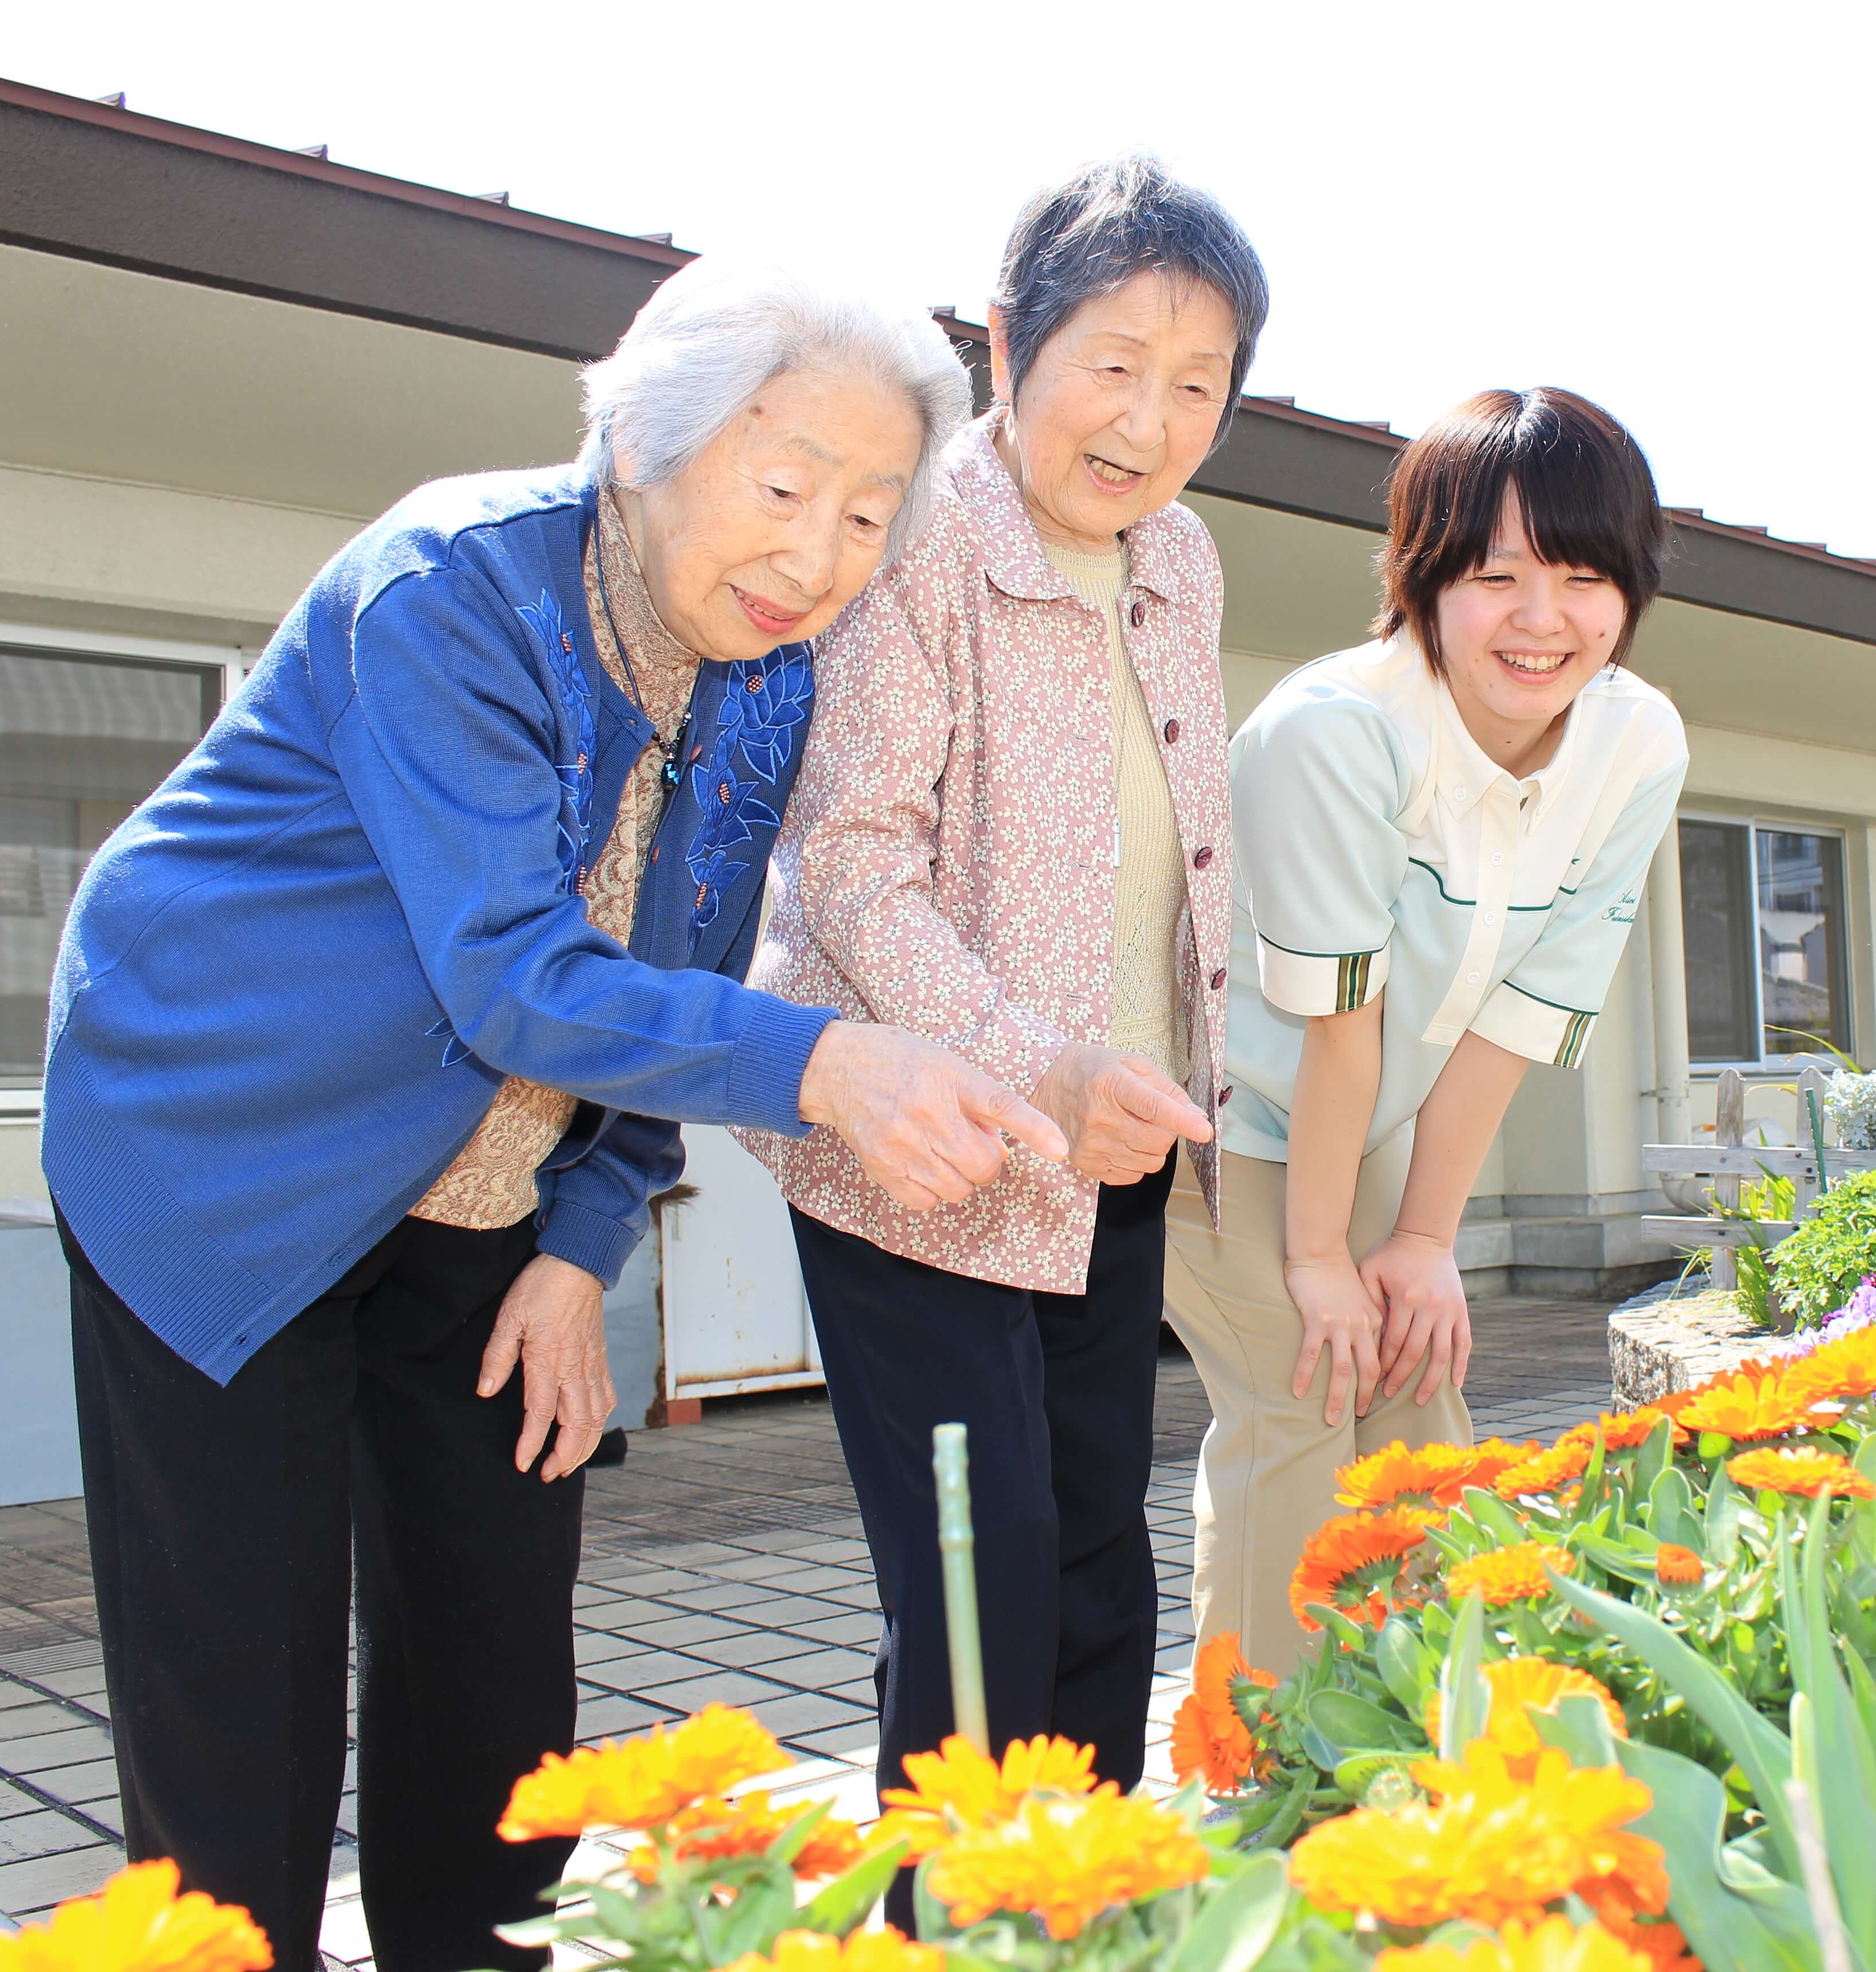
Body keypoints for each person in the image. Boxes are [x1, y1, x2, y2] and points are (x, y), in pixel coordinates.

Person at [42, 259, 1065, 1972]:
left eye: (872, 514)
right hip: (219, 1142)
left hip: (481, 1178)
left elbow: (678, 953)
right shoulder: (451, 593)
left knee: (495, 1665)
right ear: (650, 441)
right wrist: (827, 1064)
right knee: (244, 1685)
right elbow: (513, 972)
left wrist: (584, 1245)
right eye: (785, 483)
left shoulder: (767, 675)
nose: (818, 556)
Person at [739, 156, 1266, 1803]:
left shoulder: (1183, 559)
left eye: (1198, 385)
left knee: (1100, 1565)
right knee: (984, 1579)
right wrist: (1034, 1069)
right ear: (1004, 342)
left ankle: (1083, 1901)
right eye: (1113, 364)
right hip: (929, 1151)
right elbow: (853, 865)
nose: (1148, 421)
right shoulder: (918, 543)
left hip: (1108, 1154)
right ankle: (950, 1925)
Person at [1163, 388, 1690, 1677]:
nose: (1542, 619)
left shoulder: (1637, 739)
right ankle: (1265, 1766)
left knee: (1415, 1386)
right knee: (1305, 1391)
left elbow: (1518, 1015)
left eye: (1581, 577)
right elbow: (1342, 1026)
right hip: (1219, 1116)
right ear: (1424, 577)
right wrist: (1320, 1258)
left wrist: (1419, 1244)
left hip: (1372, 1119)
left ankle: (1437, 1734)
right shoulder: (1335, 732)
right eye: (1496, 575)